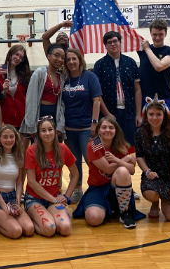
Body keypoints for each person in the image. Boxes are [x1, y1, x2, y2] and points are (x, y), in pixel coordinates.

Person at [73, 117, 144, 229]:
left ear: (116, 130)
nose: (107, 130)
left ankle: (124, 212)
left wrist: (118, 161)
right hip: (97, 188)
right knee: (94, 219)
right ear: (99, 130)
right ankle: (106, 208)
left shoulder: (121, 144)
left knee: (122, 171)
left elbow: (132, 170)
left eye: (111, 127)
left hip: (116, 187)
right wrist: (123, 160)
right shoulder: (93, 145)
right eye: (104, 127)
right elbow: (108, 169)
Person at [24, 116, 79, 237]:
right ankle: (31, 218)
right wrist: (52, 199)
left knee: (65, 229)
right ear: (38, 133)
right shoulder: (31, 151)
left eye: (50, 129)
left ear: (55, 131)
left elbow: (75, 174)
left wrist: (66, 197)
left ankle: (48, 216)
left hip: (54, 198)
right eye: (43, 130)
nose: (47, 133)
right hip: (34, 199)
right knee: (50, 229)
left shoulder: (62, 148)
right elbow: (32, 182)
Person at [62, 48, 102, 203]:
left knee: (92, 160)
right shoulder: (64, 80)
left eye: (74, 59)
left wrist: (94, 122)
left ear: (79, 60)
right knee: (74, 161)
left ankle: (96, 188)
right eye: (68, 59)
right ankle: (77, 189)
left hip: (87, 128)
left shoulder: (89, 77)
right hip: (69, 129)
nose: (71, 62)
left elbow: (96, 100)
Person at [135, 95, 170, 221]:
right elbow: (139, 157)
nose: (154, 118)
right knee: (151, 194)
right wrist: (147, 171)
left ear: (164, 115)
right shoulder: (140, 134)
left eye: (158, 114)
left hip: (169, 178)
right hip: (151, 176)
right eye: (151, 114)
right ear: (146, 115)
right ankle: (155, 203)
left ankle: (169, 199)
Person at [93, 31, 142, 150]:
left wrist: (138, 114)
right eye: (109, 42)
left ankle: (127, 168)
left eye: (115, 41)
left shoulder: (130, 62)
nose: (113, 44)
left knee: (129, 145)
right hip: (109, 113)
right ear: (105, 45)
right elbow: (97, 95)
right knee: (109, 146)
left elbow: (137, 89)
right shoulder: (99, 65)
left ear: (120, 42)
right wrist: (106, 114)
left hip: (129, 112)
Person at [0, 125, 34, 238]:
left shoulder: (19, 156)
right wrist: (4, 207)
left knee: (29, 229)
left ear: (16, 138)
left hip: (12, 197)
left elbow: (19, 183)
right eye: (5, 137)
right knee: (16, 231)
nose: (9, 140)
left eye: (11, 137)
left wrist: (17, 203)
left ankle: (6, 220)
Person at [138, 19, 170, 128]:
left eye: (160, 34)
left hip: (164, 97)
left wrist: (147, 48)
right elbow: (125, 32)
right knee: (145, 133)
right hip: (145, 98)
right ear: (150, 34)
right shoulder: (142, 49)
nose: (157, 38)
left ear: (166, 33)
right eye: (154, 34)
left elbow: (159, 66)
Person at [20, 43, 65, 140]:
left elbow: (61, 104)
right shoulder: (40, 72)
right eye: (56, 55)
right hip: (39, 115)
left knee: (53, 151)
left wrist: (60, 125)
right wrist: (31, 126)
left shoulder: (61, 78)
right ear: (48, 56)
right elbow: (31, 99)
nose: (60, 59)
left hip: (54, 117)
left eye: (62, 57)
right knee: (38, 150)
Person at [0, 44, 32, 150]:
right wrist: (3, 92)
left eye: (21, 57)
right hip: (7, 119)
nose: (18, 58)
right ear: (10, 54)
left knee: (22, 153)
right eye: (16, 54)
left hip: (23, 119)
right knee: (9, 152)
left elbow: (29, 97)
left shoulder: (25, 74)